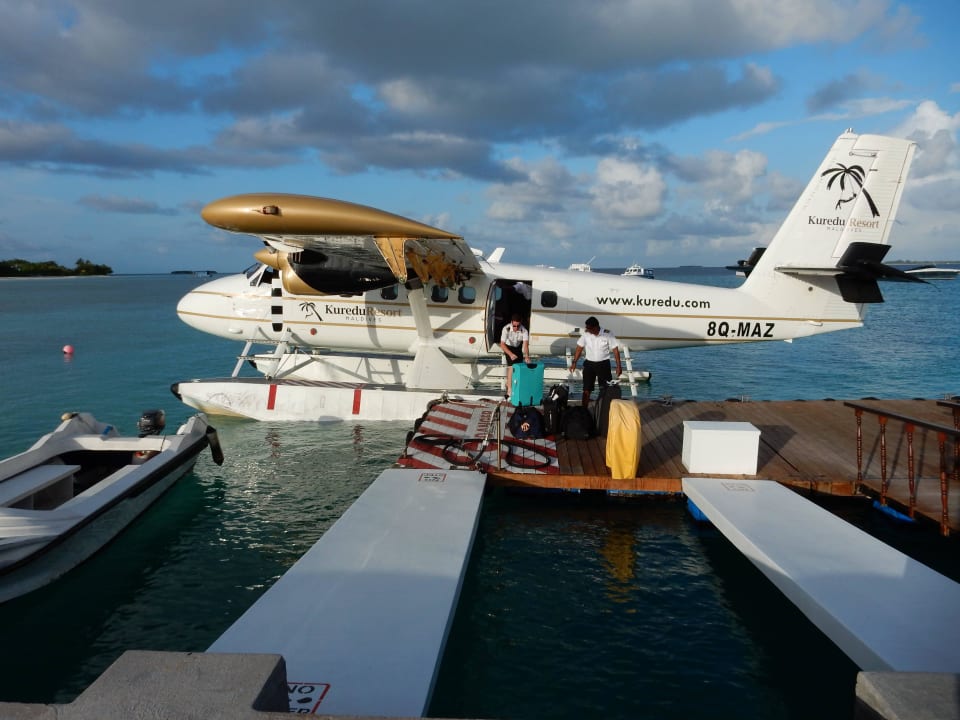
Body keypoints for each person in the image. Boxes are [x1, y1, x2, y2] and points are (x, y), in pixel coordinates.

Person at [569, 316, 622, 408]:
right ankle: (584, 410)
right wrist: (574, 362)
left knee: (605, 389)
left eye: (588, 328)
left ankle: (604, 409)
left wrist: (619, 366)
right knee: (586, 389)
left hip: (603, 364)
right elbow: (579, 348)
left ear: (595, 327)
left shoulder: (608, 334)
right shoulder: (586, 334)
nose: (586, 329)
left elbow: (615, 350)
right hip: (589, 364)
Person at [499, 313, 530, 397]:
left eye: (518, 326)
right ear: (511, 322)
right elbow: (502, 344)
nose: (516, 328)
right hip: (508, 347)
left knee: (518, 368)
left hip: (518, 347)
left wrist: (527, 356)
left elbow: (525, 345)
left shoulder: (524, 330)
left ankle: (513, 385)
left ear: (521, 323)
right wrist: (511, 354)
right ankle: (509, 390)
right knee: (512, 367)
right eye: (514, 326)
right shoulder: (506, 328)